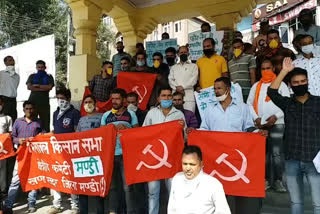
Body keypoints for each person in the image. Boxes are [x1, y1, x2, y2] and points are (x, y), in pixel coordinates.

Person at [186, 77, 267, 214]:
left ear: (228, 90)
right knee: (217, 192)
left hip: (237, 157)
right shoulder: (210, 110)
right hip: (216, 157)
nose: (216, 91)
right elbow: (205, 130)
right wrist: (195, 132)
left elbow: (248, 127)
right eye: (215, 89)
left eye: (219, 88)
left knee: (237, 191)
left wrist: (259, 133)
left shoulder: (242, 107)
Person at [268, 57, 320, 214]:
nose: (300, 85)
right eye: (296, 83)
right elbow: (271, 91)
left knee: (318, 204)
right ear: (290, 86)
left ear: (308, 82)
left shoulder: (318, 102)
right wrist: (284, 71)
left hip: (314, 160)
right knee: (296, 203)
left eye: (303, 81)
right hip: (292, 160)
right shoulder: (287, 103)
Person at [247, 59, 290, 192]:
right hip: (261, 125)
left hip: (277, 123)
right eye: (263, 69)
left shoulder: (281, 85)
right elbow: (248, 104)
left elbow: (287, 104)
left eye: (268, 68)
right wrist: (256, 118)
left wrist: (276, 116)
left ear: (273, 69)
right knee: (262, 153)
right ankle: (264, 180)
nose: (266, 71)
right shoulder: (256, 86)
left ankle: (278, 181)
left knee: (276, 153)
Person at [143, 86, 186, 214]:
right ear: (158, 98)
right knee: (152, 192)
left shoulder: (179, 114)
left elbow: (184, 138)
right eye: (164, 96)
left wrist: (183, 129)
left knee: (173, 192)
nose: (166, 98)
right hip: (154, 158)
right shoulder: (151, 113)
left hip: (172, 159)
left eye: (169, 96)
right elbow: (144, 134)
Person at [101, 88, 139, 214]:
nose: (114, 101)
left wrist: (126, 130)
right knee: (112, 187)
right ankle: (113, 211)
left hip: (126, 155)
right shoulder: (106, 115)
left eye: (117, 99)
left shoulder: (131, 114)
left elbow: (138, 134)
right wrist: (110, 129)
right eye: (113, 99)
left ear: (123, 100)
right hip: (110, 155)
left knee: (127, 187)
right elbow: (101, 135)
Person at [3, 101, 43, 214]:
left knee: (33, 179)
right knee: (15, 180)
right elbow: (12, 137)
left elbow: (43, 135)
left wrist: (39, 137)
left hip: (34, 155)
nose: (29, 111)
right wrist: (18, 140)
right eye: (27, 108)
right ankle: (9, 205)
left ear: (34, 109)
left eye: (31, 108)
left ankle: (31, 204)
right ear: (23, 109)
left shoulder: (38, 122)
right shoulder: (18, 122)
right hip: (20, 155)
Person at [168, 145, 231, 214]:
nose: (188, 168)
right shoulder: (177, 179)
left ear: (201, 164)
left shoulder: (213, 184)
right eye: (185, 164)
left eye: (192, 164)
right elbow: (171, 209)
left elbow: (224, 212)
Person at [48, 88, 81, 214]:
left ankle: (75, 205)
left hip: (71, 151)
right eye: (58, 98)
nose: (60, 101)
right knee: (56, 176)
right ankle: (57, 204)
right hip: (57, 151)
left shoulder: (75, 113)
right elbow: (54, 131)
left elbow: (77, 132)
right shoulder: (55, 113)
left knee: (72, 178)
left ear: (68, 99)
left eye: (62, 98)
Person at [76, 95, 105, 214]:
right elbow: (76, 136)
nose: (88, 104)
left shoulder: (102, 117)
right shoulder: (81, 120)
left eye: (90, 102)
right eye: (86, 102)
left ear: (95, 103)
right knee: (82, 187)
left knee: (97, 185)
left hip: (97, 157)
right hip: (82, 158)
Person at [26, 60, 54, 132]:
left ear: (45, 67)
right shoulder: (32, 76)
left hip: (44, 103)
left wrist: (37, 86)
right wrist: (43, 88)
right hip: (33, 103)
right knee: (32, 122)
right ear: (36, 68)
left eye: (42, 67)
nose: (40, 69)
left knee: (45, 123)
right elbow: (29, 87)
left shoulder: (49, 77)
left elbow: (49, 87)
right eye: (39, 67)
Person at [169, 46, 198, 112]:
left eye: (185, 52)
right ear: (178, 54)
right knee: (176, 118)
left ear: (188, 53)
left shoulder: (193, 66)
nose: (183, 54)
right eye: (181, 52)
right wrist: (177, 88)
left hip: (189, 98)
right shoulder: (173, 67)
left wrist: (182, 87)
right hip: (176, 98)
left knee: (189, 118)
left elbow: (194, 80)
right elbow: (170, 80)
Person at [0, 96, 12, 214]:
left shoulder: (7, 118)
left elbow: (10, 135)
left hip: (3, 154)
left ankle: (3, 206)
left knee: (3, 180)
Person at [0, 56, 19, 122]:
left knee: (13, 119)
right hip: (3, 99)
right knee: (3, 120)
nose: (12, 61)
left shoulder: (17, 75)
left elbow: (14, 87)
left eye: (13, 60)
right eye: (10, 60)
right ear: (5, 63)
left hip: (13, 100)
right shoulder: (1, 73)